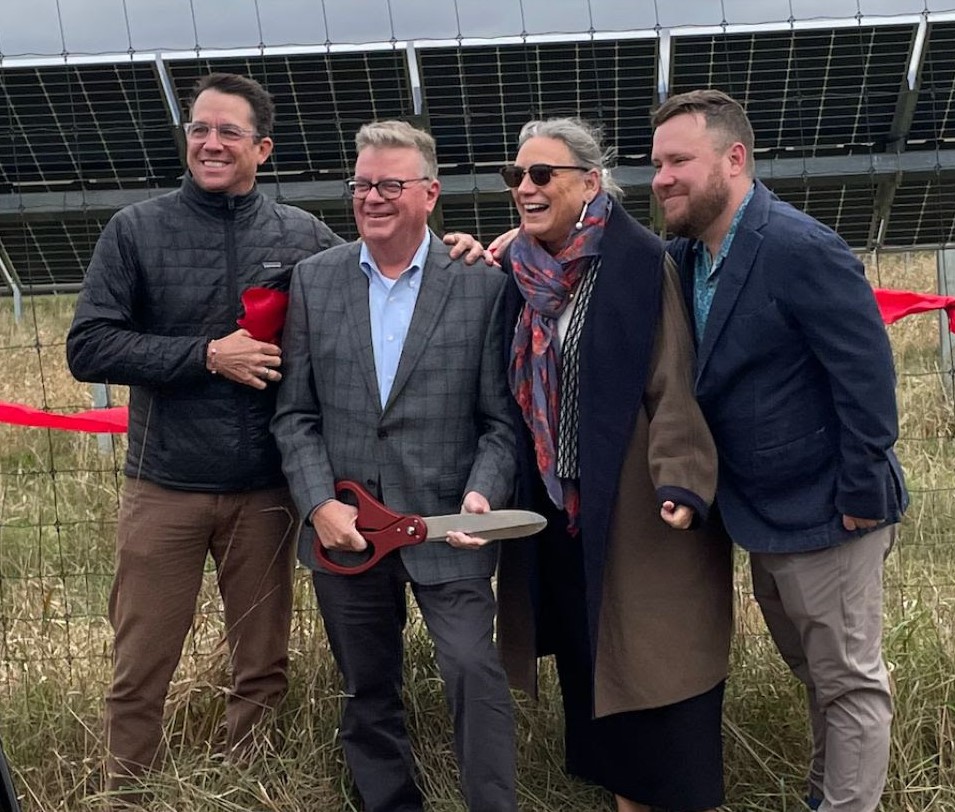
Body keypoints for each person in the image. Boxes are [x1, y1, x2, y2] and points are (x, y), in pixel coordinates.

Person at [65, 73, 485, 801]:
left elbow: (385, 268)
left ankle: (243, 785)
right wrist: (203, 355)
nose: (210, 142)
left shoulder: (302, 237)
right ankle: (123, 792)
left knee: (260, 663)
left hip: (266, 491)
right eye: (199, 129)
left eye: (229, 131)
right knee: (141, 661)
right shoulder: (135, 230)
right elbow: (88, 346)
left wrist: (460, 253)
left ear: (262, 146)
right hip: (164, 483)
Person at [651, 89, 908, 812]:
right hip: (761, 515)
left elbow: (867, 380)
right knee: (821, 676)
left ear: (734, 159)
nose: (662, 178)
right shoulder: (687, 257)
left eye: (679, 162)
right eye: (657, 164)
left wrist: (860, 496)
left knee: (851, 682)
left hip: (829, 509)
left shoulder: (800, 247)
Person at [270, 120, 517, 812]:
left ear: (430, 194)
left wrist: (482, 495)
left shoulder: (481, 285)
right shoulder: (315, 283)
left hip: (447, 524)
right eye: (361, 184)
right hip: (346, 526)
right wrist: (319, 503)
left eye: (389, 184)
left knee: (473, 669)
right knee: (367, 684)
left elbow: (502, 422)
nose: (371, 197)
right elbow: (295, 414)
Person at [494, 118, 733, 812]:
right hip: (561, 517)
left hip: (638, 507)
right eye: (516, 176)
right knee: (596, 671)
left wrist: (682, 478)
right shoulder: (522, 273)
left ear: (590, 183)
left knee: (658, 664)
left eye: (543, 175)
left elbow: (672, 378)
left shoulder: (637, 262)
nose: (526, 188)